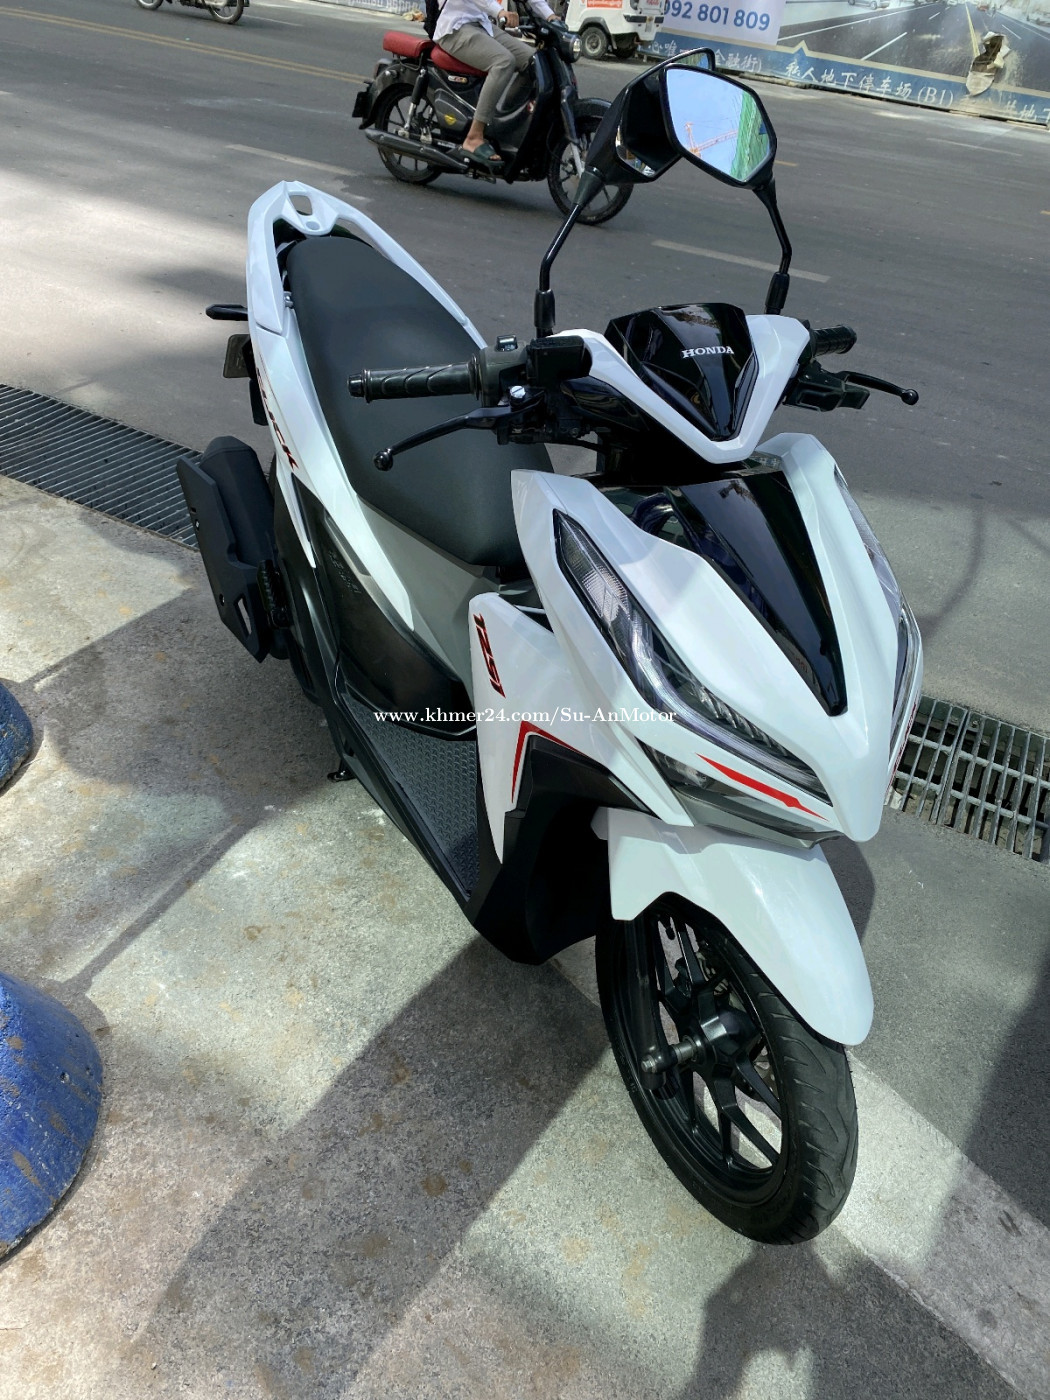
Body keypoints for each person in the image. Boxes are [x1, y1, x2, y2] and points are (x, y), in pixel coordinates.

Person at [433, 0, 558, 167]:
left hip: (482, 25)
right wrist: (499, 11)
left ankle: (504, 126)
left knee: (534, 62)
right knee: (504, 62)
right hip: (455, 28)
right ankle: (473, 137)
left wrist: (550, 16)